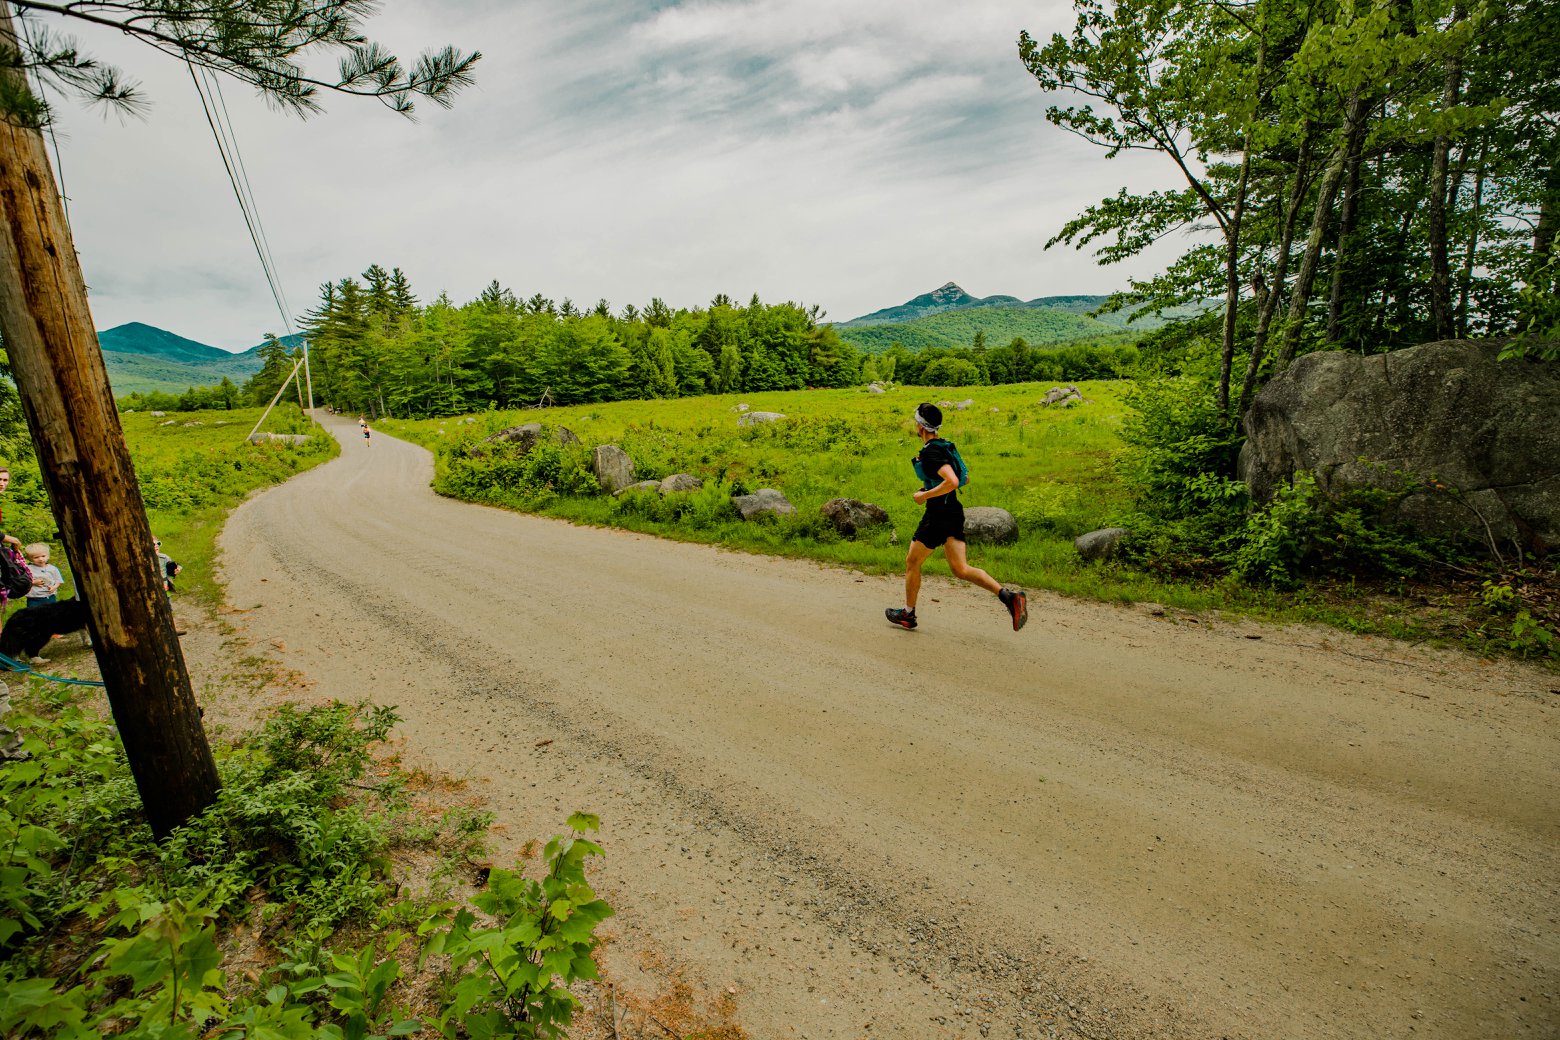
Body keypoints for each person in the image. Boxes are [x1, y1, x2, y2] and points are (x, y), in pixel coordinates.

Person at [886, 403, 1027, 632]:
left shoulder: (931, 451)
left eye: (916, 421)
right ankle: (1009, 597)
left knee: (912, 561)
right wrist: (932, 488)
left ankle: (908, 614)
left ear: (920, 426)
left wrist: (925, 496)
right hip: (953, 510)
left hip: (938, 515)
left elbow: (951, 481)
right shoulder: (945, 446)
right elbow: (965, 478)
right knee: (960, 569)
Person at [23, 543, 62, 607]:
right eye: (36, 557)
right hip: (33, 598)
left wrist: (54, 587)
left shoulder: (52, 569)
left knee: (51, 614)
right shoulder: (28, 569)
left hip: (49, 597)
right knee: (34, 614)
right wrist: (33, 582)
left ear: (48, 556)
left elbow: (58, 581)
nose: (40, 559)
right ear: (30, 558)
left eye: (43, 556)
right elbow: (23, 581)